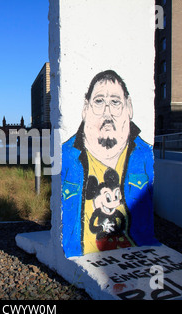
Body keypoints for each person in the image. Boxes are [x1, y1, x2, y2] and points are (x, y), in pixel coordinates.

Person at [61, 70, 159, 257]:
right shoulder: (66, 155)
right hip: (80, 251)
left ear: (129, 107)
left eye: (115, 102)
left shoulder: (144, 154)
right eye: (99, 102)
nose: (107, 113)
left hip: (135, 249)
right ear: (85, 108)